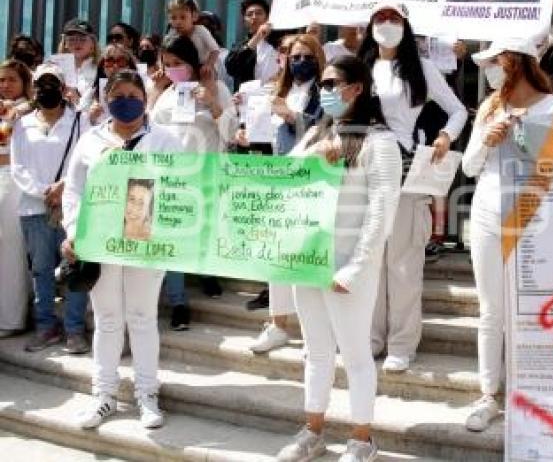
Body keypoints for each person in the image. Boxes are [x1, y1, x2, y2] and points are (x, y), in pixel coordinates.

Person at [275, 55, 401, 462]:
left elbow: (381, 212)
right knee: (316, 351)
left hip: (349, 268)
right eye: (324, 85)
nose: (325, 92)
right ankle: (313, 430)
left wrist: (356, 266)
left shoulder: (380, 143)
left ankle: (362, 439)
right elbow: (285, 173)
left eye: (332, 85)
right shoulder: (316, 133)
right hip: (308, 261)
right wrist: (317, 156)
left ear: (356, 89)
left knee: (355, 354)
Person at [62, 69, 182, 430]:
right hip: (100, 239)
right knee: (107, 319)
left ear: (145, 100)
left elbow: (180, 188)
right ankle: (104, 396)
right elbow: (73, 190)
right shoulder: (90, 139)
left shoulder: (165, 139)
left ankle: (147, 396)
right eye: (117, 96)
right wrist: (73, 232)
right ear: (105, 99)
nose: (125, 101)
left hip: (146, 238)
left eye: (133, 95)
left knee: (143, 318)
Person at [460, 37, 553, 432]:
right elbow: (469, 167)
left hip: (534, 215)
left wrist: (524, 139)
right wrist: (488, 139)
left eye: (493, 60)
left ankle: (530, 393)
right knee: (491, 310)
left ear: (514, 62)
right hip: (487, 212)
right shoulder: (490, 105)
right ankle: (488, 394)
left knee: (529, 309)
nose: (487, 68)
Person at [359, 2, 467, 372]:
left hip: (404, 170)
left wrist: (444, 137)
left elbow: (458, 110)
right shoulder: (359, 68)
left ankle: (402, 344)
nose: (386, 24)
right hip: (362, 170)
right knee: (369, 259)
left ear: (406, 24)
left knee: (403, 263)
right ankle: (370, 338)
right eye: (380, 17)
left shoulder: (422, 68)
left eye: (394, 18)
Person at [148, 34, 238, 325]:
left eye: (179, 63)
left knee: (204, 229)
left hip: (206, 170)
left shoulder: (217, 88)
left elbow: (232, 133)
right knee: (174, 236)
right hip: (172, 176)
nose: (174, 68)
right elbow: (152, 131)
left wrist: (212, 103)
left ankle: (206, 272)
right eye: (168, 64)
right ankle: (178, 301)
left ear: (193, 62)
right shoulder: (167, 95)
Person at [247, 34, 324, 350]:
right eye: (295, 57)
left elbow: (325, 130)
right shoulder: (280, 89)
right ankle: (278, 324)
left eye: (307, 56)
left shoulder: (324, 90)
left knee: (306, 254)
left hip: (310, 179)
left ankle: (313, 332)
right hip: (278, 177)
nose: (300, 62)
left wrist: (292, 117)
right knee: (275, 254)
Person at [11, 64, 90, 353]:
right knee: (41, 270)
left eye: (52, 83)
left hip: (71, 206)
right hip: (34, 209)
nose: (47, 89)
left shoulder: (81, 122)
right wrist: (43, 190)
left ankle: (74, 329)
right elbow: (17, 165)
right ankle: (46, 326)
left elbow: (85, 160)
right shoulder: (22, 123)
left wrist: (63, 186)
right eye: (41, 84)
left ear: (63, 86)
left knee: (74, 268)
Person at [0, 60, 32, 337]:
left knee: (11, 250)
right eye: (2, 80)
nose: (5, 85)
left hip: (13, 180)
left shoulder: (26, 110)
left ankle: (12, 317)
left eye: (12, 79)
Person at [225, 0, 281, 90]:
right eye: (249, 14)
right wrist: (258, 36)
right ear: (244, 21)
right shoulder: (239, 46)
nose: (254, 17)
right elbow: (231, 68)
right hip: (249, 99)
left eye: (259, 13)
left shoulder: (281, 42)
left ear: (267, 17)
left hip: (276, 96)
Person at [164, 0, 220, 81]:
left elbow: (215, 50)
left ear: (194, 16)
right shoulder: (172, 34)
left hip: (203, 67)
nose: (178, 22)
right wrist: (162, 68)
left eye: (183, 17)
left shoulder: (201, 31)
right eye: (173, 18)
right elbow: (163, 52)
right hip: (183, 70)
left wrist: (209, 64)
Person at [85, 43, 137, 125]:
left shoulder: (140, 91)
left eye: (121, 61)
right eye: (109, 61)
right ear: (103, 67)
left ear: (129, 66)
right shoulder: (91, 94)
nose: (115, 66)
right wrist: (91, 117)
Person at [57, 19, 99, 104]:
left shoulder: (101, 70)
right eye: (72, 39)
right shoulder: (55, 69)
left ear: (93, 43)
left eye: (82, 39)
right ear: (65, 43)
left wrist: (78, 100)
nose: (77, 43)